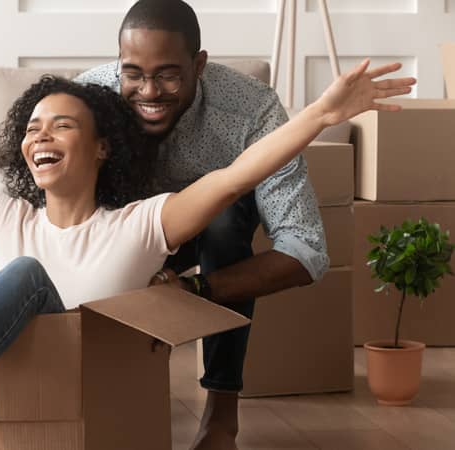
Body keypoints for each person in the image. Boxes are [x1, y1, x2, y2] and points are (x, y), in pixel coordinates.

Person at [0, 33, 414, 444]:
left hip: (79, 379)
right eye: (33, 127)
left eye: (61, 125)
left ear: (100, 149)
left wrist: (323, 111)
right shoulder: (7, 216)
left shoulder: (141, 225)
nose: (40, 135)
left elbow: (239, 175)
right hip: (2, 362)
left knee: (21, 276)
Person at [74, 1, 339, 447]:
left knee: (222, 222)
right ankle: (110, 401)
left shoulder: (253, 110)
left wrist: (196, 290)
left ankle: (221, 417)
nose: (149, 92)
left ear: (199, 64)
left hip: (210, 241)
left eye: (168, 74)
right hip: (121, 229)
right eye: (133, 73)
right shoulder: (89, 99)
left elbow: (306, 250)